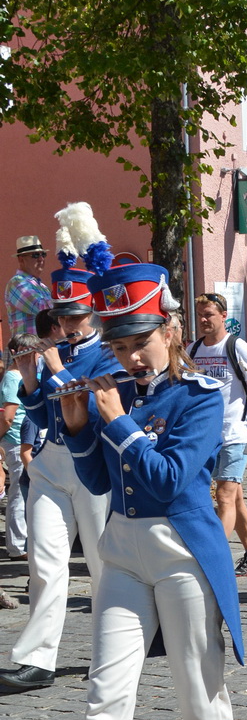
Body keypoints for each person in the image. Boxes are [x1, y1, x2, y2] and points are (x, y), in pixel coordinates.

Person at [22, 260, 243, 720]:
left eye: (139, 343)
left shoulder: (200, 396)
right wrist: (75, 426)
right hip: (121, 548)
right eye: (118, 345)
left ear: (170, 331)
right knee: (105, 692)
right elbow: (98, 480)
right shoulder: (114, 389)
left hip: (181, 551)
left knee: (197, 689)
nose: (130, 356)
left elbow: (169, 480)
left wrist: (114, 419)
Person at [0, 252, 119, 695]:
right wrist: (30, 379)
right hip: (50, 465)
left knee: (103, 564)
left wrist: (51, 368)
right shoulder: (60, 352)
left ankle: (113, 651)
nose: (68, 324)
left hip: (90, 467)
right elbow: (41, 411)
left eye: (76, 315)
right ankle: (36, 659)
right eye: (62, 315)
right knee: (44, 564)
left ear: (92, 312)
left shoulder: (108, 356)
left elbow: (82, 406)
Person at [188, 293, 247, 578]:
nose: (204, 320)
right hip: (207, 434)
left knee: (224, 495)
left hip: (235, 431)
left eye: (209, 314)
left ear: (223, 316)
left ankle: (212, 558)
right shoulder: (193, 349)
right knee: (236, 499)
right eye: (200, 315)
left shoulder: (238, 347)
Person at [1, 337, 34, 558]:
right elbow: (9, 417)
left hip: (25, 439)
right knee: (19, 493)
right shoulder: (13, 379)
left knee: (23, 491)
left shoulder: (23, 375)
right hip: (15, 440)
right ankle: (17, 545)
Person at [4, 235, 52, 338]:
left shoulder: (42, 286)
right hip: (27, 350)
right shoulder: (17, 282)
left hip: (42, 349)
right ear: (21, 260)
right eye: (35, 255)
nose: (41, 259)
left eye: (43, 254)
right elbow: (42, 309)